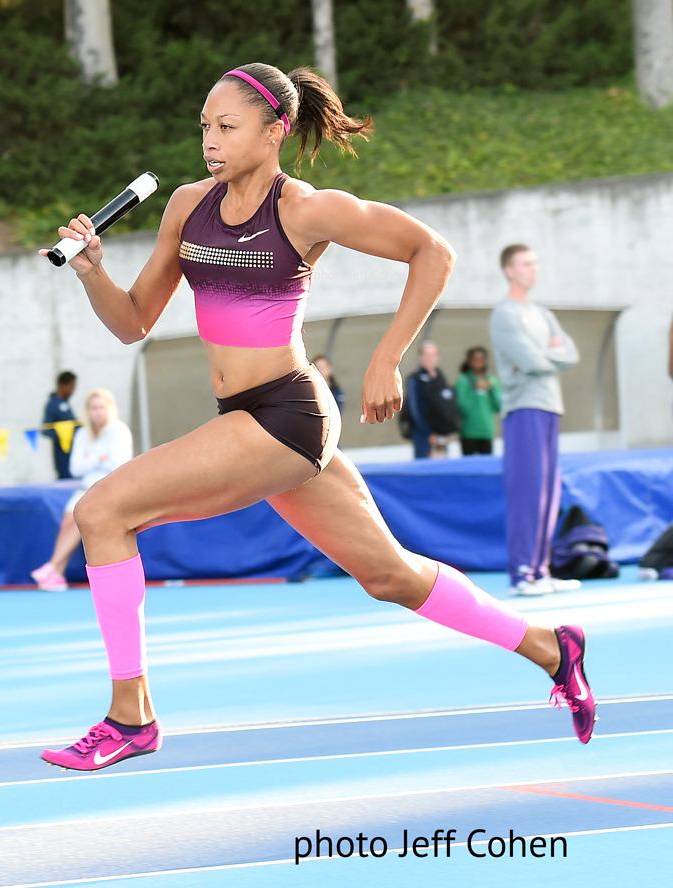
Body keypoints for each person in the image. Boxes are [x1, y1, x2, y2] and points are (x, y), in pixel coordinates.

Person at [36, 63, 595, 771]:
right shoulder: (186, 206)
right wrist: (92, 272)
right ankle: (552, 647)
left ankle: (131, 716)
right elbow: (132, 322)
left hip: (285, 416)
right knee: (390, 575)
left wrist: (387, 359)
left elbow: (433, 252)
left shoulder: (302, 209)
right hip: (247, 416)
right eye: (204, 126)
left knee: (102, 513)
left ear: (274, 132)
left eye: (227, 127)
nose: (210, 140)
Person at [491, 245, 581, 598]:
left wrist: (545, 354)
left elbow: (570, 353)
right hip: (524, 407)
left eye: (535, 263)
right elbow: (531, 361)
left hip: (549, 406)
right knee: (527, 491)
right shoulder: (505, 314)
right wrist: (547, 354)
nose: (534, 269)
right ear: (510, 271)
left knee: (548, 492)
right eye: (526, 264)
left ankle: (540, 570)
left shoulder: (542, 314)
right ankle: (522, 574)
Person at [31, 389, 133, 591]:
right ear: (87, 411)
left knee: (79, 520)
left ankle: (51, 566)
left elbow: (119, 463)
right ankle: (56, 573)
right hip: (85, 488)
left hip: (108, 489)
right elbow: (75, 467)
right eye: (94, 408)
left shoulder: (118, 430)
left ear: (110, 409)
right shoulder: (81, 433)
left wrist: (90, 460)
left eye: (102, 407)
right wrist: (99, 458)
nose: (98, 412)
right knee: (68, 520)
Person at [405, 341, 460, 459]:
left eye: (432, 355)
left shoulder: (440, 377)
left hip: (442, 434)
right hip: (424, 435)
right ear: (420, 357)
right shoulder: (415, 379)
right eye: (426, 355)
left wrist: (446, 431)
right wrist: (428, 433)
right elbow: (415, 408)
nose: (430, 359)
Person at [454, 346, 502, 456]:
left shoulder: (491, 380)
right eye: (475, 360)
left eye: (481, 360)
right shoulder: (463, 380)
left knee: (486, 465)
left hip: (486, 431)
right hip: (469, 432)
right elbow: (462, 406)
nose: (478, 363)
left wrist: (491, 389)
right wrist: (474, 389)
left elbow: (498, 405)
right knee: (468, 466)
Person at [42, 371, 80, 479]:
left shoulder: (65, 403)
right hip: (62, 456)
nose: (73, 390)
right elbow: (46, 429)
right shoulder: (53, 405)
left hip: (73, 454)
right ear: (63, 385)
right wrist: (65, 436)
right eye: (72, 386)